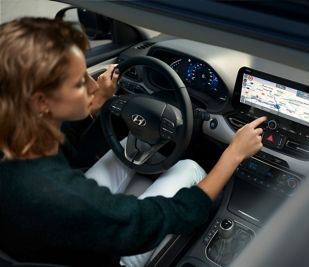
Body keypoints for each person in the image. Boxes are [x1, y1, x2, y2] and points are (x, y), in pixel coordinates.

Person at [0, 17, 266, 267]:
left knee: (129, 144)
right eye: (80, 84)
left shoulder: (18, 143)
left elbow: (66, 145)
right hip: (108, 257)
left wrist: (97, 105)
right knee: (189, 168)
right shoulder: (58, 195)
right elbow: (162, 217)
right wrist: (233, 154)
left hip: (45, 240)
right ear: (41, 102)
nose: (93, 87)